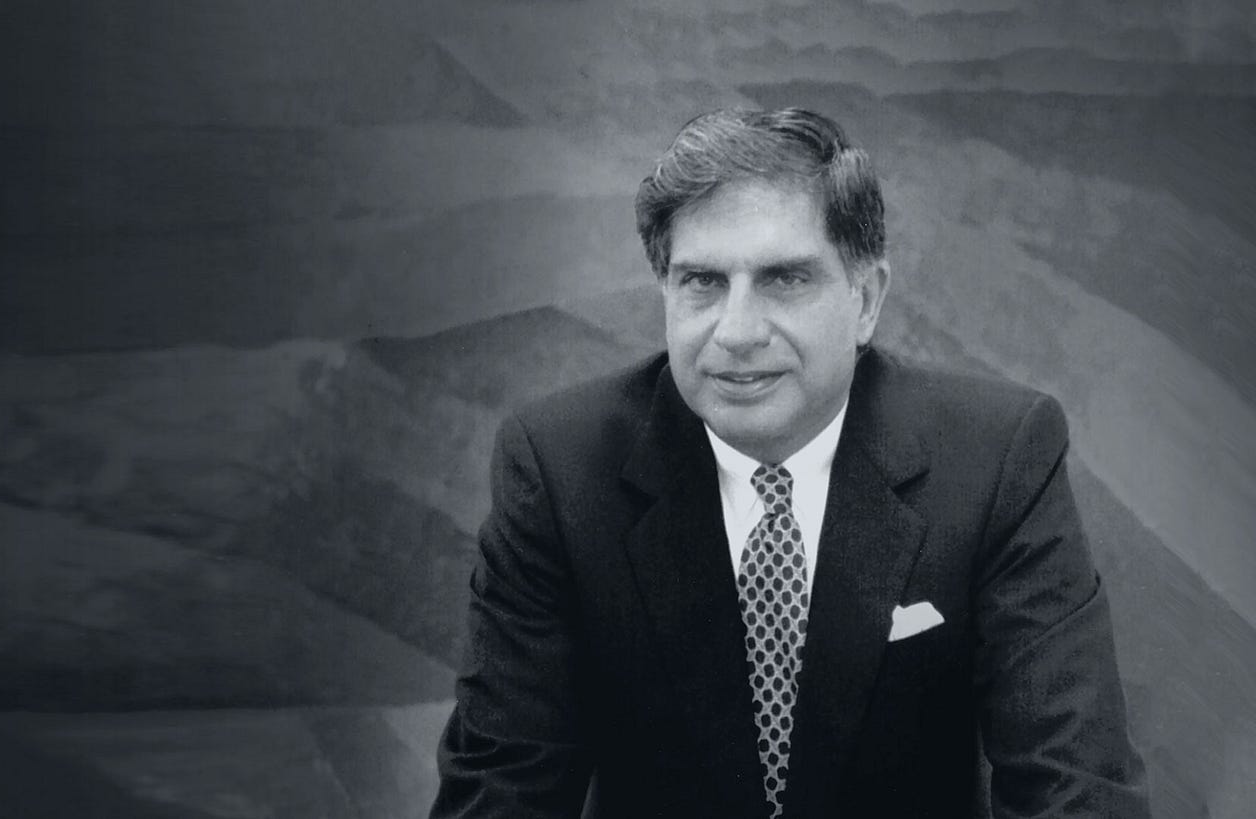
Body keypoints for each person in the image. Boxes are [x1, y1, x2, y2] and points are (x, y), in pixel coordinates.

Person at [430, 107, 1149, 818]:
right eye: (703, 282)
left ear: (866, 300)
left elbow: (1077, 787)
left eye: (784, 280)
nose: (737, 332)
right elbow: (499, 790)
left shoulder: (995, 460)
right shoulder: (561, 470)